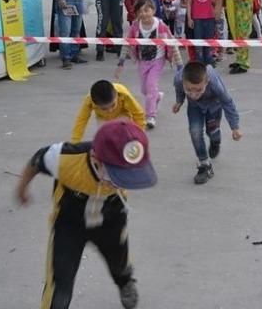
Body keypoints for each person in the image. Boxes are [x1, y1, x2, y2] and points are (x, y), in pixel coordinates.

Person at [15, 119, 157, 309]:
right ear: (95, 158)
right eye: (116, 176)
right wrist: (22, 188)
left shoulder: (124, 166)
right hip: (69, 221)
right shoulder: (64, 159)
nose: (121, 182)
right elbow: (36, 161)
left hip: (112, 217)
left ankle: (125, 283)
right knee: (60, 281)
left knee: (119, 263)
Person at [117, 0, 183, 128]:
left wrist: (179, 64)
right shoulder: (135, 26)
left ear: (153, 10)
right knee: (145, 89)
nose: (143, 14)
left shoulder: (161, 26)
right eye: (140, 11)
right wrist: (121, 62)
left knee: (151, 86)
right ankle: (157, 96)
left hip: (158, 60)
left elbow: (172, 43)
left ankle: (150, 116)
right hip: (142, 60)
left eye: (146, 10)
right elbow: (127, 44)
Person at [172, 61, 242, 185]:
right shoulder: (178, 79)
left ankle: (215, 140)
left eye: (198, 90)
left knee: (213, 131)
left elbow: (227, 102)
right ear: (183, 82)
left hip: (214, 105)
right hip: (195, 107)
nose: (193, 94)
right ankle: (204, 165)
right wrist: (179, 101)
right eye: (189, 89)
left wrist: (235, 127)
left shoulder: (215, 83)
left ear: (207, 82)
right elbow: (179, 90)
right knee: (195, 132)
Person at [71, 80, 146, 143]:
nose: (110, 110)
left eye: (113, 105)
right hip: (103, 119)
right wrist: (75, 142)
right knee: (106, 141)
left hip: (122, 116)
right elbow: (81, 120)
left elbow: (138, 113)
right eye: (104, 108)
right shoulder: (89, 101)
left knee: (125, 139)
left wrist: (139, 135)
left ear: (117, 96)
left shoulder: (124, 94)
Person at [187, 0, 221, 65]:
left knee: (209, 41)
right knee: (198, 42)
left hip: (210, 18)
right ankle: (199, 62)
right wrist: (189, 18)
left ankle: (209, 61)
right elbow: (189, 3)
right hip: (197, 19)